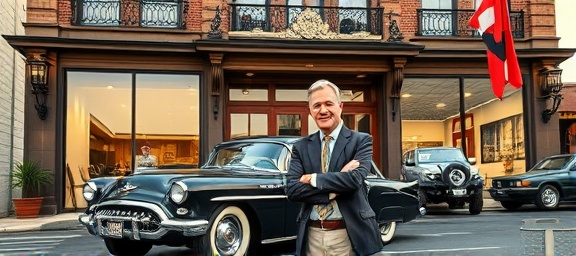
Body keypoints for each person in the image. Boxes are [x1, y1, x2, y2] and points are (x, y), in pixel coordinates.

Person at [285, 79, 383, 256]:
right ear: (310, 111)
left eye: (328, 103)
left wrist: (313, 179)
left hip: (348, 235)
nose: (323, 110)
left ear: (340, 106)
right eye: (316, 106)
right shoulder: (301, 147)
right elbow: (292, 190)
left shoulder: (361, 141)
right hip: (311, 236)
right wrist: (339, 181)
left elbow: (354, 180)